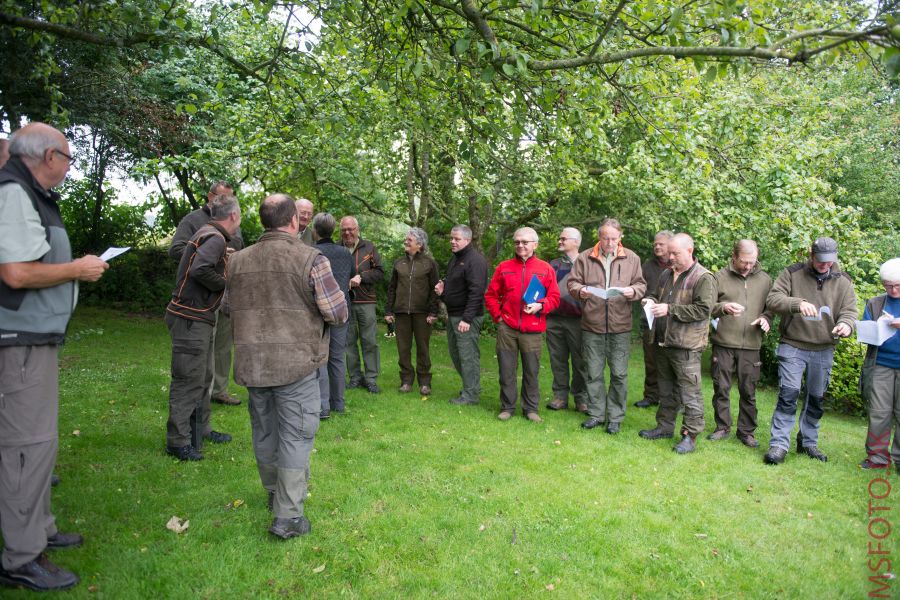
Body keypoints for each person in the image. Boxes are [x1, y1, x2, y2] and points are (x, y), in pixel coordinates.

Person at [0, 122, 109, 591]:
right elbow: (17, 273)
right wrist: (78, 269)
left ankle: (41, 528)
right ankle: (22, 556)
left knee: (39, 442)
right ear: (48, 157)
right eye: (67, 157)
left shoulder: (33, 195)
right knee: (25, 448)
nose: (68, 166)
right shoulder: (13, 193)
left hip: (35, 339)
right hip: (18, 341)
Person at [226, 194, 348, 539]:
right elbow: (338, 313)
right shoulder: (311, 258)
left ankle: (274, 493)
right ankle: (288, 516)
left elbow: (226, 308)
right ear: (294, 220)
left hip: (254, 363)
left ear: (264, 221)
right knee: (296, 435)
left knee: (264, 429)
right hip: (296, 365)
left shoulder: (237, 260)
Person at [764, 237, 857, 465]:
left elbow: (850, 311)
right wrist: (797, 303)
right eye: (820, 261)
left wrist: (846, 324)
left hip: (824, 348)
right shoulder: (792, 273)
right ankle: (779, 444)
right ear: (811, 255)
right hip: (793, 344)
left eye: (829, 262)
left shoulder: (843, 281)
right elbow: (773, 299)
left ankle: (808, 442)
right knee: (789, 394)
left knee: (816, 398)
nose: (825, 265)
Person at [164, 194, 241, 461]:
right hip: (190, 318)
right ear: (233, 216)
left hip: (199, 317)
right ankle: (178, 441)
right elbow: (200, 270)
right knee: (188, 379)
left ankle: (201, 430)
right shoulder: (215, 237)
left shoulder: (210, 234)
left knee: (204, 376)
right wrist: (225, 280)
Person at [169, 180, 244, 406]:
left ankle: (219, 390)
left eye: (231, 198)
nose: (228, 203)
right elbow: (177, 250)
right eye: (223, 198)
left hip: (225, 292)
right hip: (201, 295)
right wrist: (210, 250)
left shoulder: (232, 220)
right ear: (210, 197)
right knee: (203, 345)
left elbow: (240, 246)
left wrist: (230, 253)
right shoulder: (193, 220)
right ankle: (201, 392)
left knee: (222, 343)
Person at [638, 233, 715, 454]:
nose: (670, 257)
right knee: (666, 390)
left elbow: (703, 310)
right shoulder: (665, 273)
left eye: (675, 253)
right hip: (663, 341)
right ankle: (664, 427)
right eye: (669, 252)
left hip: (687, 345)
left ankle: (690, 436)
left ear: (689, 251)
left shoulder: (703, 277)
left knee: (690, 394)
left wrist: (669, 309)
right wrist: (650, 300)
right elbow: (655, 294)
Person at [568, 219, 646, 433]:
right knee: (593, 372)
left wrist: (633, 291)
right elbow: (572, 283)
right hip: (592, 324)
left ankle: (615, 417)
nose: (610, 242)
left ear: (620, 237)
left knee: (619, 374)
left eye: (614, 238)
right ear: (599, 237)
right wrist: (580, 290)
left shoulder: (632, 258)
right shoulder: (585, 257)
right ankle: (595, 414)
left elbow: (641, 285)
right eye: (605, 238)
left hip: (620, 326)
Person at [485, 227, 560, 423]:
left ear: (535, 245)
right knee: (506, 370)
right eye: (517, 242)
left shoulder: (545, 269)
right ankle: (507, 407)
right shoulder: (504, 267)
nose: (520, 245)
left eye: (525, 242)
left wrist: (540, 306)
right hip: (507, 328)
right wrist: (498, 317)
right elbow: (491, 295)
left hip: (533, 330)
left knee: (531, 371)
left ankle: (531, 409)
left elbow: (554, 298)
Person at [707, 240, 773, 448]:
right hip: (724, 342)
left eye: (752, 262)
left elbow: (771, 307)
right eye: (744, 262)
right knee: (721, 387)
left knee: (748, 390)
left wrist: (766, 319)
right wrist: (724, 307)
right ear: (733, 257)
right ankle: (722, 427)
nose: (747, 266)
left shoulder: (765, 280)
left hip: (752, 344)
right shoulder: (719, 278)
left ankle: (746, 431)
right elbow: (707, 307)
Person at [435, 225, 488, 405]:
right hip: (454, 315)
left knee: (467, 356)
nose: (452, 241)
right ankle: (471, 386)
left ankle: (471, 395)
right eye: (451, 238)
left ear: (467, 240)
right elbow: (456, 288)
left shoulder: (475, 261)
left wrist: (467, 318)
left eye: (457, 239)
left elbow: (477, 292)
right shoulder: (455, 259)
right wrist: (442, 292)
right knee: (456, 354)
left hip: (466, 318)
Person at [384, 228, 440, 395]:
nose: (406, 242)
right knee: (403, 348)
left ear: (420, 244)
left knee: (423, 348)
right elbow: (392, 288)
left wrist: (433, 312)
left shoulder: (429, 263)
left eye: (409, 240)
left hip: (422, 313)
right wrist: (388, 311)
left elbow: (434, 290)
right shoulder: (398, 263)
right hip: (401, 313)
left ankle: (424, 382)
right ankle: (406, 380)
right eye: (406, 239)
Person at [859, 258, 900, 470]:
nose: (892, 290)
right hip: (881, 364)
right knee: (879, 412)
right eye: (888, 285)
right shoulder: (875, 303)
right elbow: (865, 331)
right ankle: (877, 458)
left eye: (897, 286)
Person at [312, 213, 353, 419]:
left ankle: (323, 406)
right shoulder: (345, 253)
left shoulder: (311, 252)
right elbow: (350, 276)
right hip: (341, 309)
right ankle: (338, 403)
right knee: (337, 357)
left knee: (321, 358)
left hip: (317, 312)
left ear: (315, 230)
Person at [545, 227, 589, 413]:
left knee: (581, 361)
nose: (560, 241)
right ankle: (560, 396)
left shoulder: (587, 264)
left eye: (564, 239)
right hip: (554, 320)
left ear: (576, 242)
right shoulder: (552, 265)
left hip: (578, 321)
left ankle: (581, 398)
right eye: (559, 238)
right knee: (557, 359)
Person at [340, 216, 384, 393]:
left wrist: (362, 277)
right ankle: (355, 377)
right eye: (344, 229)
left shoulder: (369, 247)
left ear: (357, 229)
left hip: (366, 301)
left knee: (369, 340)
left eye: (350, 229)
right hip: (344, 302)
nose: (347, 232)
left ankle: (371, 378)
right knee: (348, 341)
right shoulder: (337, 247)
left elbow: (380, 272)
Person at [635, 230, 674, 409]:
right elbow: (641, 287)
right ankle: (651, 396)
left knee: (672, 363)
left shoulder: (678, 265)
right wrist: (644, 298)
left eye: (661, 244)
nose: (657, 246)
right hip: (650, 320)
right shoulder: (648, 265)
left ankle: (674, 399)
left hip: (672, 322)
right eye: (655, 244)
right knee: (651, 360)